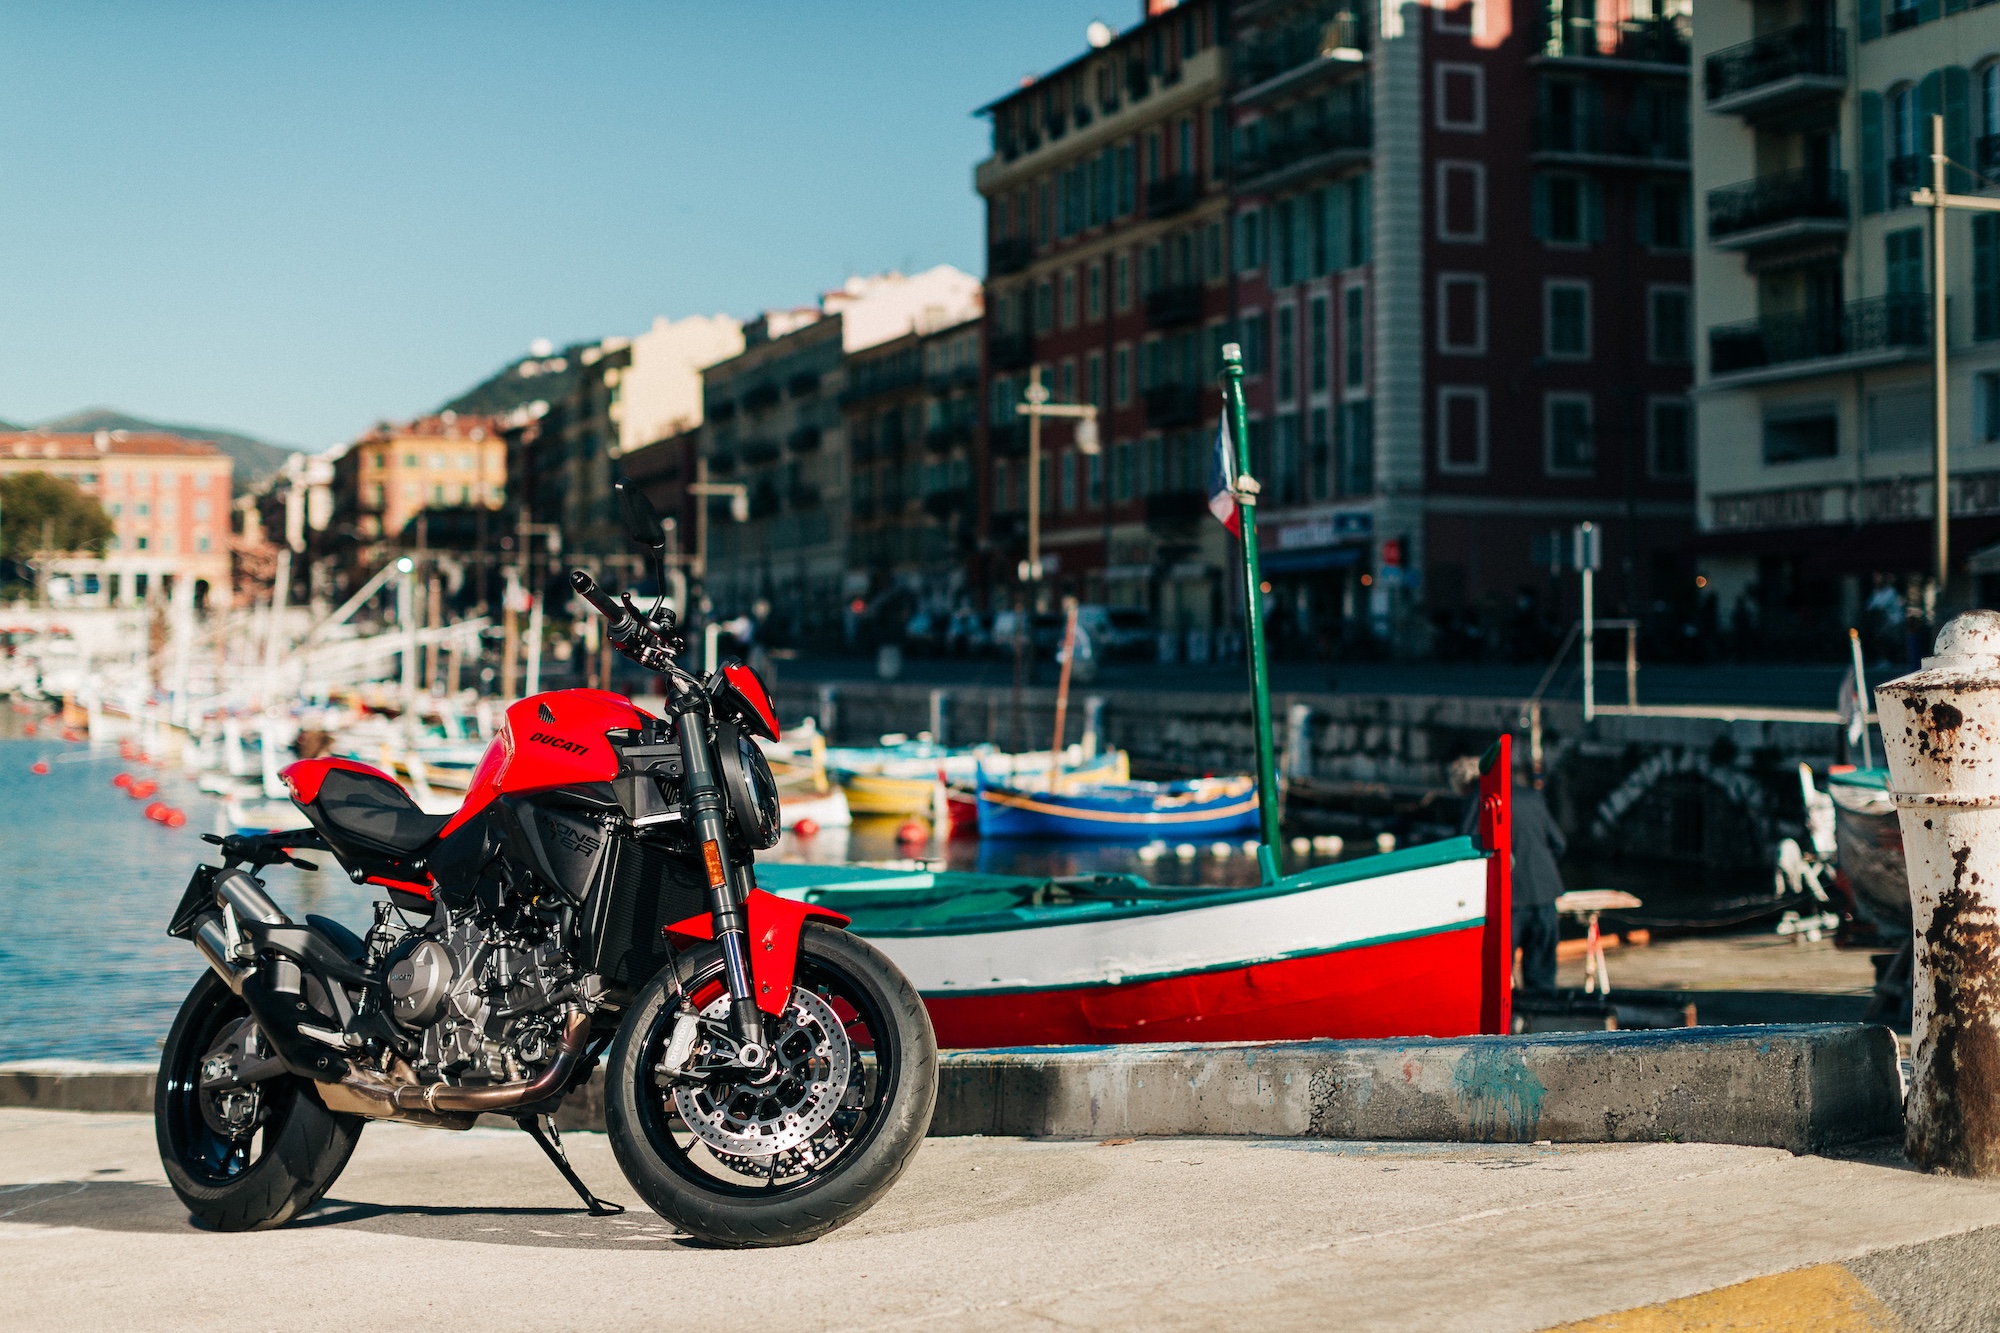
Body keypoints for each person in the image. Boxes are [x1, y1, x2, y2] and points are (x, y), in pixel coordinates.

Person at [1456, 757, 1567, 993]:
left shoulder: (1479, 798)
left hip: (1510, 899)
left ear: (1466, 784)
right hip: (1546, 893)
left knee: (1498, 978)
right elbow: (1559, 843)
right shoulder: (1531, 796)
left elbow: (1465, 850)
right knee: (1543, 978)